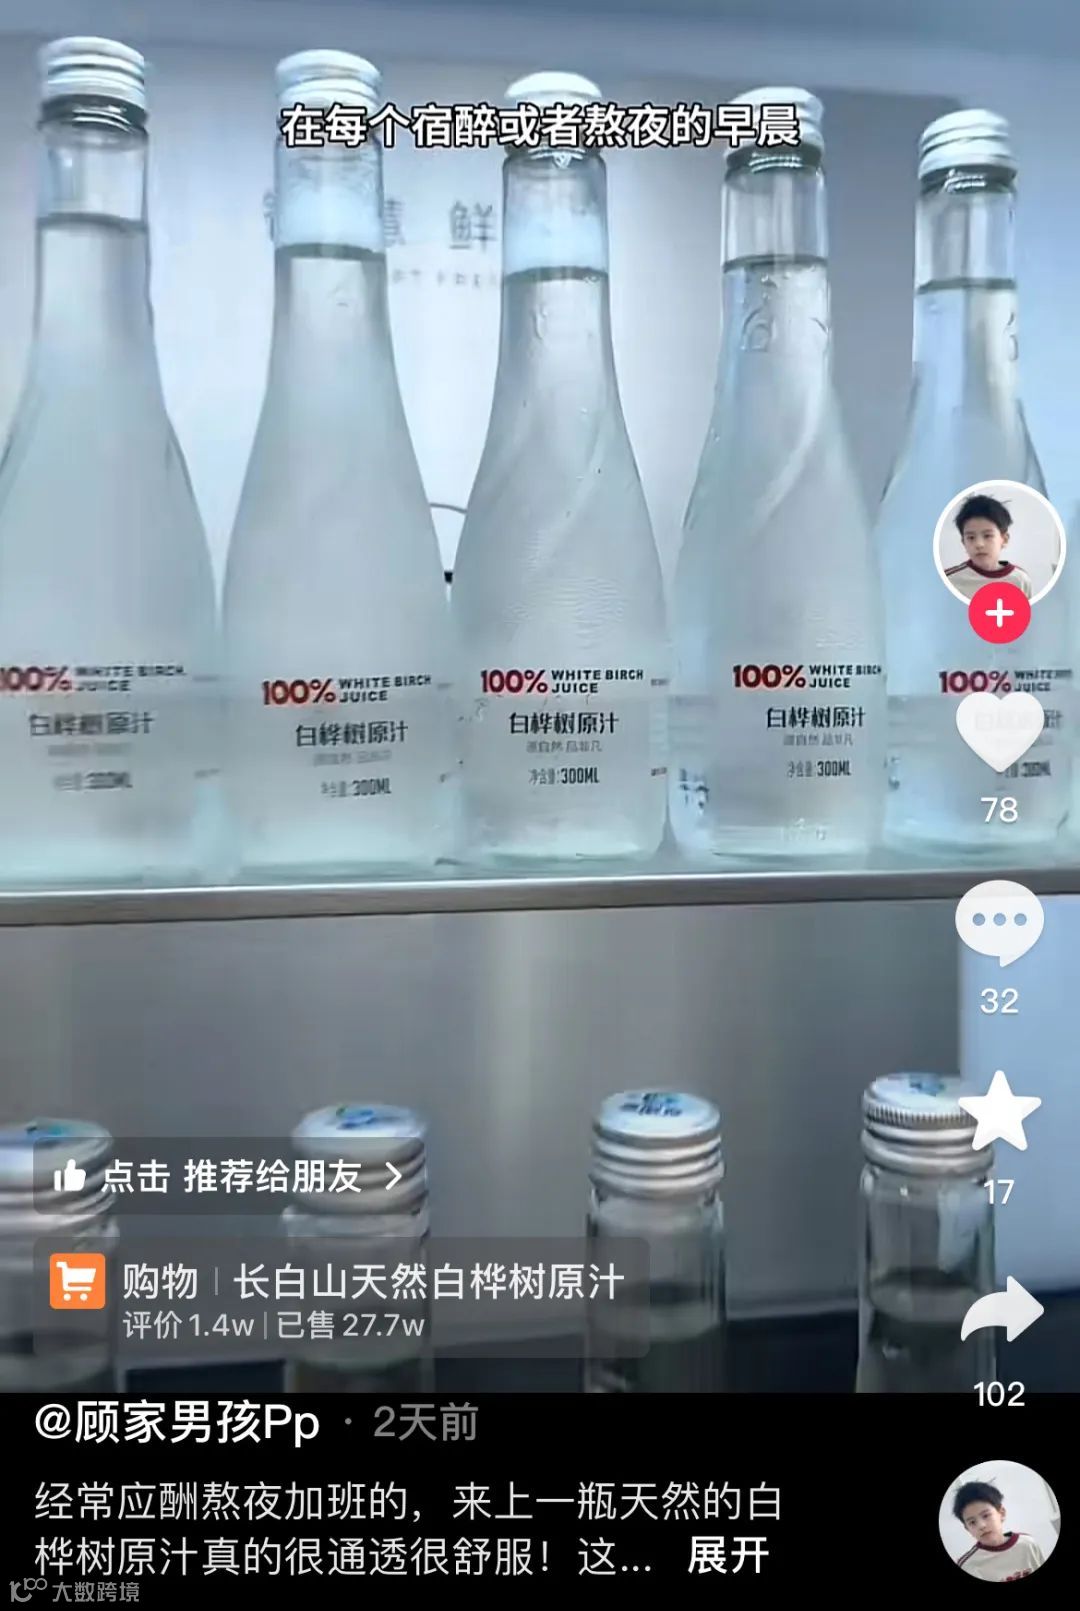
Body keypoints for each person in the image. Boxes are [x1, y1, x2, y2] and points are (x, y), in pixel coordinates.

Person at [945, 494, 1033, 600]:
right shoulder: (948, 580)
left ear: (1004, 539)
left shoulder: (1020, 580)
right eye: (971, 537)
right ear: (963, 542)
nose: (979, 544)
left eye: (987, 536)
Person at [953, 1479, 1045, 1580]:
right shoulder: (967, 1566)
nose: (981, 1525)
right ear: (967, 1529)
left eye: (986, 1515)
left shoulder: (1028, 1544)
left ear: (1002, 1513)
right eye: (972, 1522)